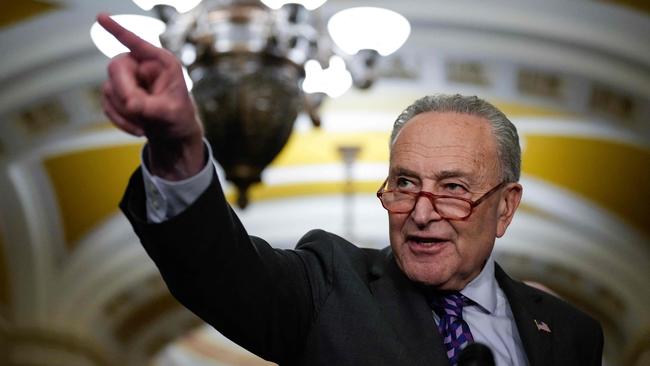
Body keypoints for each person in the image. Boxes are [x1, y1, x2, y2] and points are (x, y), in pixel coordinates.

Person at [97, 13, 603, 366]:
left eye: (452, 188)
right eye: (405, 184)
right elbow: (218, 272)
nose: (421, 214)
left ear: (505, 208)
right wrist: (177, 149)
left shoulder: (571, 333)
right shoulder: (329, 285)